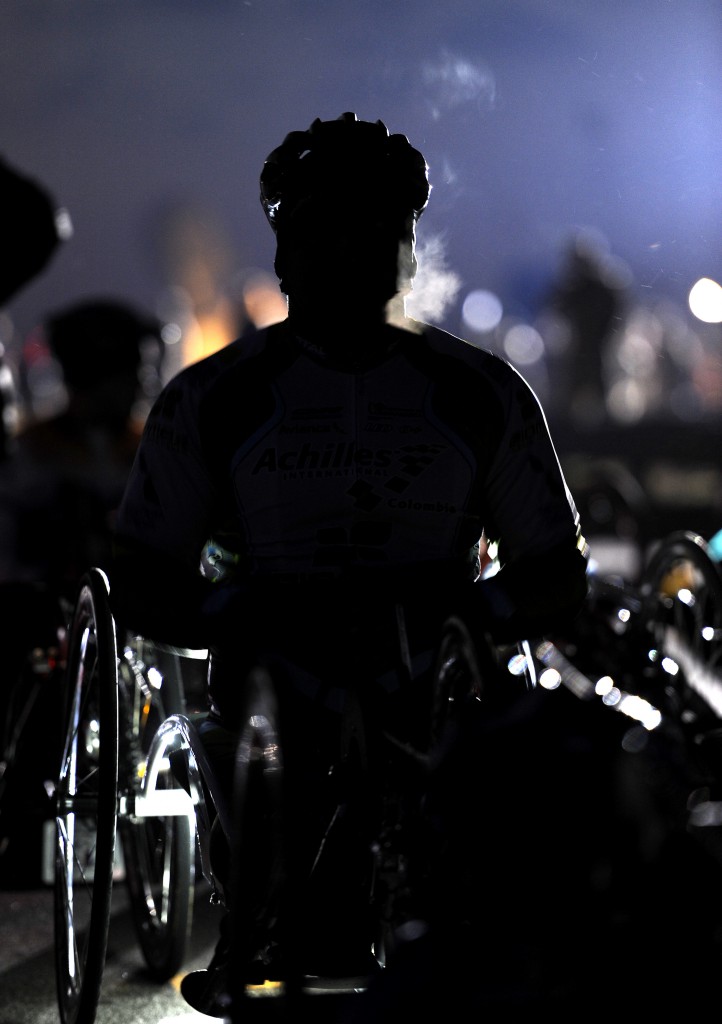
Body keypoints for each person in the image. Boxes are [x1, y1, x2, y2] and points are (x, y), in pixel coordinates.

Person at [110, 112, 589, 1014]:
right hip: (276, 669)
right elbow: (140, 574)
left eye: (381, 230)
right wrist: (238, 616)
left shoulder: (482, 394)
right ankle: (276, 902)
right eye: (328, 229)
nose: (355, 250)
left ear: (408, 247)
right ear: (286, 249)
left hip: (435, 674)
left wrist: (461, 622)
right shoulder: (213, 398)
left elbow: (555, 572)